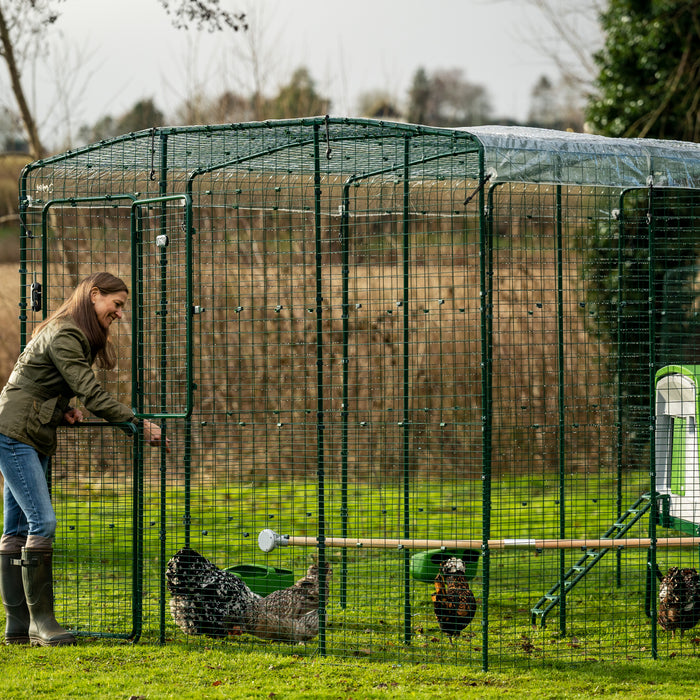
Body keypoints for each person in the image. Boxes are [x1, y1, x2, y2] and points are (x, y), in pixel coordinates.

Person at [0, 272, 170, 646]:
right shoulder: (67, 333)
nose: (120, 314)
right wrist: (137, 424)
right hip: (17, 433)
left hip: (27, 428)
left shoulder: (66, 329)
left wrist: (61, 410)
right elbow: (92, 394)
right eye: (117, 304)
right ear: (94, 295)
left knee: (15, 530)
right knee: (42, 522)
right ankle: (41, 623)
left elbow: (35, 381)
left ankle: (17, 625)